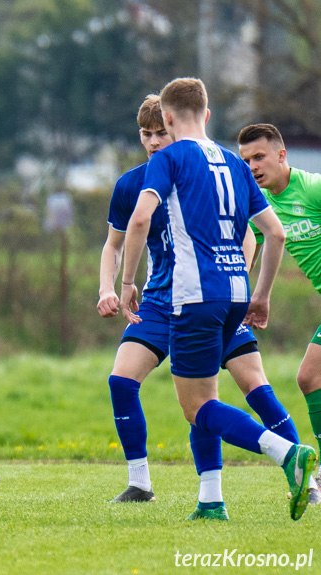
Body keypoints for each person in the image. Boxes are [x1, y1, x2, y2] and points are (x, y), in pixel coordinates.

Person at [98, 96, 317, 517]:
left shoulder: (187, 165)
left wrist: (128, 283)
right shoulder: (140, 181)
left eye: (161, 131)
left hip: (196, 296)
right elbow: (116, 242)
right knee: (136, 384)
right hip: (173, 301)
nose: (156, 141)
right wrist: (109, 286)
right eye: (148, 135)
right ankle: (178, 492)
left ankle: (297, 464)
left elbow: (252, 233)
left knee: (227, 397)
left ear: (173, 122)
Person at [239, 123, 321, 484]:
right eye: (246, 161)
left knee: (309, 375)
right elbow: (250, 249)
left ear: (281, 155)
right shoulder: (263, 205)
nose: (253, 166)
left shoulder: (314, 188)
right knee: (309, 377)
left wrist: (262, 297)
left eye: (259, 156)